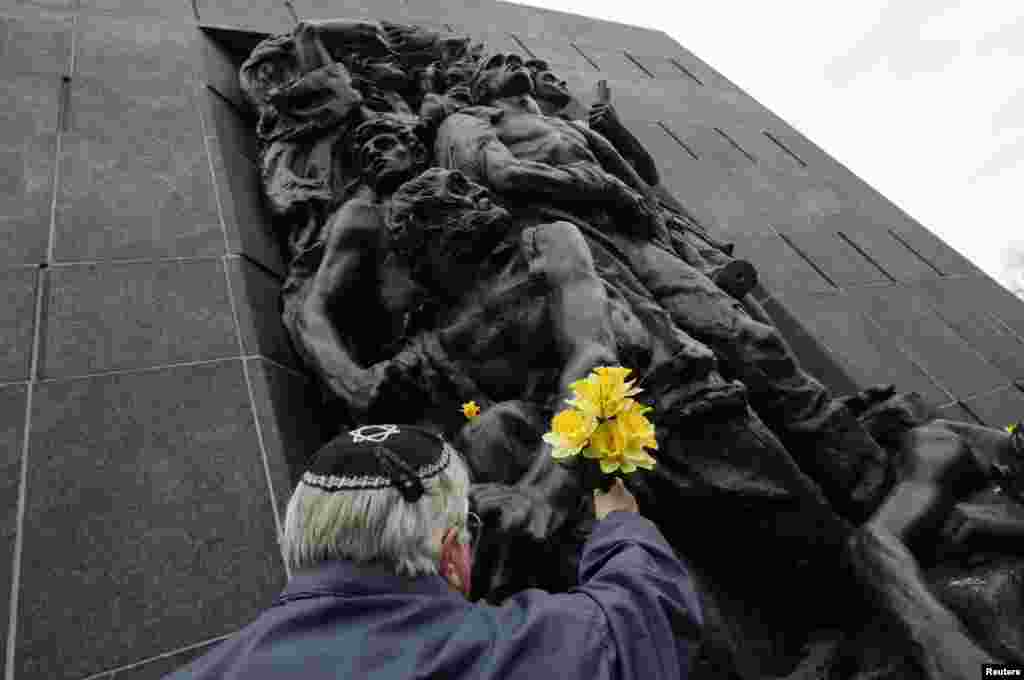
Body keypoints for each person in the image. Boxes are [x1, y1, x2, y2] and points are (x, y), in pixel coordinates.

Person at [162, 424, 702, 680]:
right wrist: (620, 521)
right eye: (467, 529)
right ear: (451, 553)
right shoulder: (509, 659)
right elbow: (640, 614)